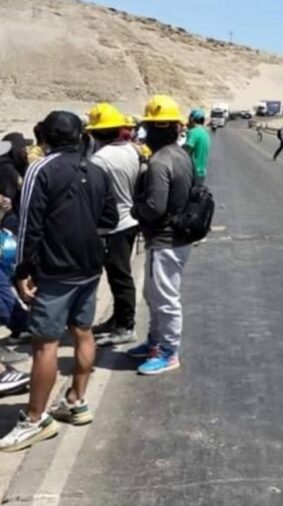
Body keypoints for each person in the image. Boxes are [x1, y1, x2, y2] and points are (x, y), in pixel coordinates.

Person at [0, 111, 118, 452]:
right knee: (83, 332)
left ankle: (35, 419)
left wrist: (22, 271)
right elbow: (108, 218)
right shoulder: (95, 169)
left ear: (45, 136)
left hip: (55, 270)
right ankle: (76, 401)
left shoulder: (42, 168)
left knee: (45, 344)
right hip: (90, 266)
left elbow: (28, 225)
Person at [127, 95, 194, 375]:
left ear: (156, 129)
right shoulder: (181, 155)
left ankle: (168, 352)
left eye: (148, 128)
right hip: (175, 238)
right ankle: (154, 342)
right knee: (153, 294)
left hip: (165, 240)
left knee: (164, 298)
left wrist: (135, 210)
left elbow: (155, 207)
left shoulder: (159, 162)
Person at [84, 104, 141, 348]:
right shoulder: (131, 150)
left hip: (112, 227)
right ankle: (117, 319)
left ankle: (126, 326)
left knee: (119, 277)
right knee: (120, 274)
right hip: (129, 220)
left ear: (95, 133)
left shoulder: (99, 160)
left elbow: (94, 196)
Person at [184, 108, 211, 182]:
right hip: (201, 174)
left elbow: (185, 153)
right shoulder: (205, 133)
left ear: (192, 119)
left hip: (192, 173)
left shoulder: (193, 132)